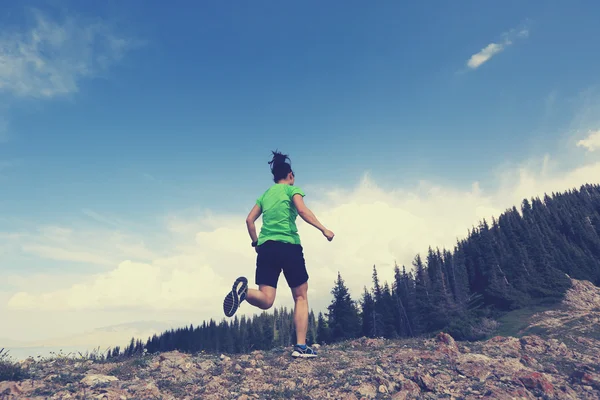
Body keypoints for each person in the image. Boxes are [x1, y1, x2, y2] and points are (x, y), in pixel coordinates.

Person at [222, 150, 334, 358]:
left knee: (266, 299)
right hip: (289, 246)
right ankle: (301, 347)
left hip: (266, 249)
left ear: (275, 178)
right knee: (300, 295)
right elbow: (302, 211)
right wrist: (323, 229)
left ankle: (244, 293)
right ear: (290, 175)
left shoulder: (265, 195)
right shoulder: (293, 191)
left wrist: (256, 242)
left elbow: (249, 220)